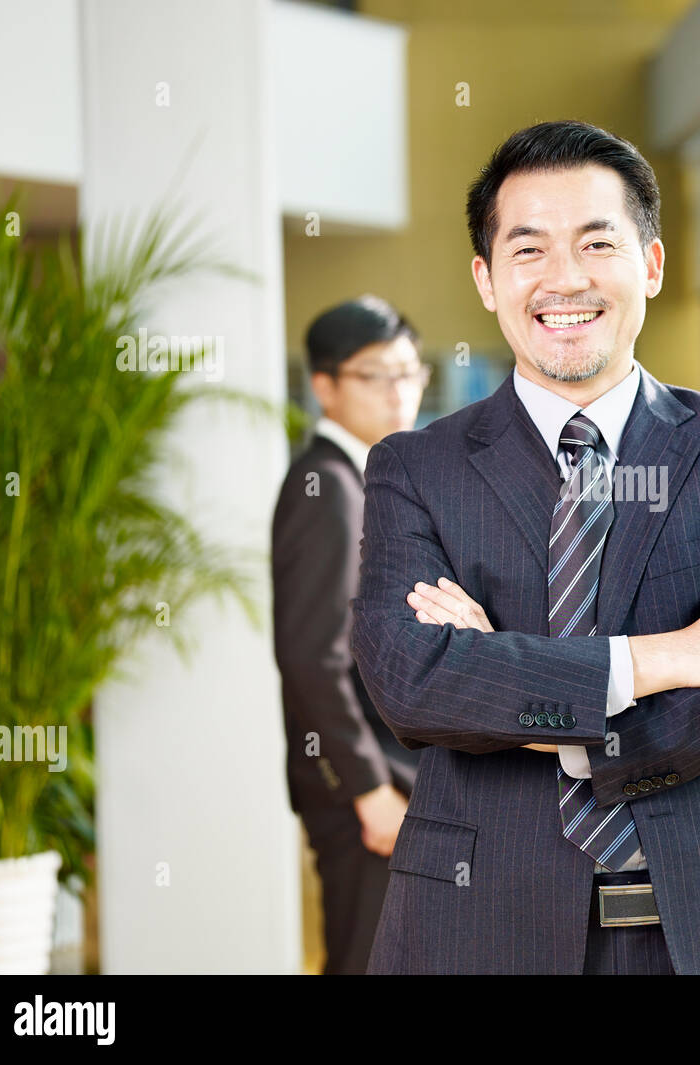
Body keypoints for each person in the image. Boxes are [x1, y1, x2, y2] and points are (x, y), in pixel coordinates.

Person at [351, 119, 700, 974]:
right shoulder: (415, 467)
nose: (565, 279)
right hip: (487, 914)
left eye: (596, 242)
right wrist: (680, 654)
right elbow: (414, 682)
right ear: (485, 279)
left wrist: (532, 700)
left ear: (651, 265)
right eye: (528, 251)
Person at [271, 296, 429, 974]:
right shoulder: (326, 485)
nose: (399, 391)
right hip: (367, 788)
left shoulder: (368, 474)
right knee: (367, 958)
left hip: (387, 778)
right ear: (325, 385)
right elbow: (311, 655)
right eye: (375, 375)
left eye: (409, 371)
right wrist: (369, 790)